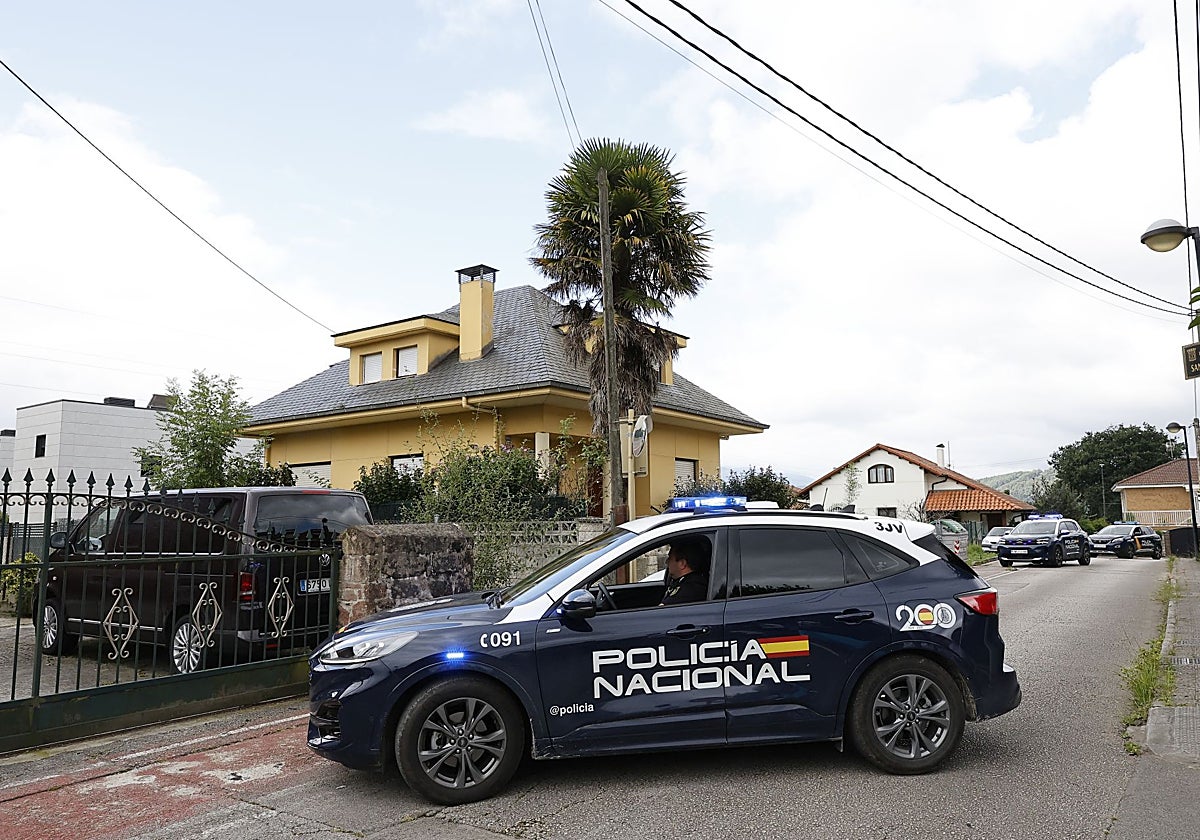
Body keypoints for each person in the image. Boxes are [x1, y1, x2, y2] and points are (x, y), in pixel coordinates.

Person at [659, 537, 710, 606]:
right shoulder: (681, 582)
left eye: (670, 558)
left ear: (682, 563)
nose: (666, 562)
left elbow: (663, 610)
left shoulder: (692, 588)